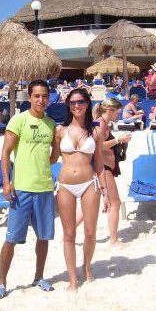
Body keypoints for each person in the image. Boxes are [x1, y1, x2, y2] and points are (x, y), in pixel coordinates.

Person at [0, 79, 57, 299]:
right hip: (21, 189)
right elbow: (5, 152)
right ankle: (2, 281)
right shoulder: (18, 120)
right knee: (11, 239)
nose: (41, 100)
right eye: (37, 96)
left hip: (45, 188)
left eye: (45, 96)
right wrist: (6, 182)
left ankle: (39, 277)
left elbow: (54, 156)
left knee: (43, 237)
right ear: (29, 97)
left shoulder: (51, 124)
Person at [52, 88, 108, 291]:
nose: (77, 105)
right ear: (68, 105)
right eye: (73, 102)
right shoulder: (59, 130)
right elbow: (50, 158)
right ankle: (73, 279)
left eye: (81, 102)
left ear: (87, 104)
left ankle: (87, 267)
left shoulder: (96, 131)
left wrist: (105, 190)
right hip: (65, 185)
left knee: (91, 232)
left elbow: (100, 163)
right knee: (68, 233)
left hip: (89, 184)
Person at [90, 98, 131, 245]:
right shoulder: (101, 124)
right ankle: (113, 240)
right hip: (103, 168)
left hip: (100, 167)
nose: (118, 116)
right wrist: (118, 140)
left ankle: (68, 235)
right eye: (117, 113)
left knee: (90, 205)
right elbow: (98, 146)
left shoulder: (98, 122)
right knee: (115, 203)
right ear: (110, 110)